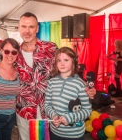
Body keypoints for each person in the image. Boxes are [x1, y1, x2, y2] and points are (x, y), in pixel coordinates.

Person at [15, 12, 96, 140]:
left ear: (37, 28)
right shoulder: (14, 53)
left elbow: (66, 69)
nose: (27, 31)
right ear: (18, 28)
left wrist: (85, 87)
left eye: (31, 27)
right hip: (24, 110)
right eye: (24, 26)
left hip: (49, 111)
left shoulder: (51, 48)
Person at [44, 47, 92, 140]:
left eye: (66, 60)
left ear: (73, 62)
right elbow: (47, 105)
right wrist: (53, 115)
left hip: (74, 135)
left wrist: (69, 118)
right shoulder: (51, 82)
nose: (62, 63)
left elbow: (87, 110)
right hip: (55, 132)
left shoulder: (80, 84)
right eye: (59, 60)